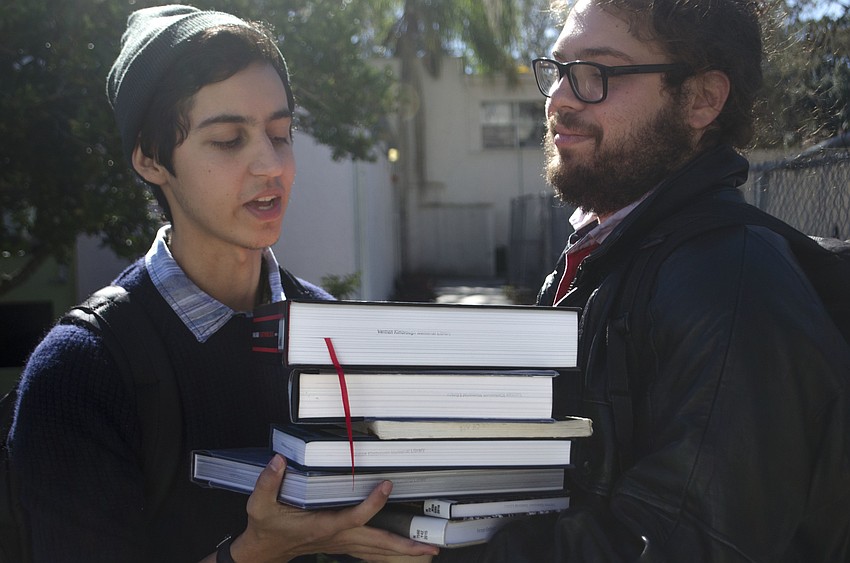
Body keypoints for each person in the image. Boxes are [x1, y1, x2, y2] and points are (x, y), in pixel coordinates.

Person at [8, 5, 439, 563]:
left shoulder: (334, 334)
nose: (271, 166)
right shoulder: (82, 371)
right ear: (150, 158)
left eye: (280, 134)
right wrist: (253, 554)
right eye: (229, 139)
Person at [428, 0, 850, 561]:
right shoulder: (604, 257)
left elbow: (680, 544)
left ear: (702, 99)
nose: (558, 100)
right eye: (558, 71)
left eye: (595, 74)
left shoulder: (727, 283)